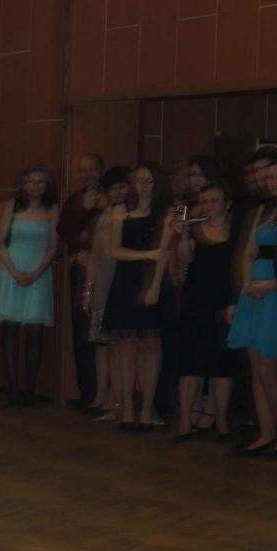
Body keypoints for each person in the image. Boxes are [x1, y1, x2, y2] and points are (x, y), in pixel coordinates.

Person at [102, 162, 176, 431]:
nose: (142, 186)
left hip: (152, 279)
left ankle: (146, 409)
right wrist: (147, 254)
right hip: (126, 280)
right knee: (126, 345)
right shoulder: (120, 210)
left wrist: (154, 287)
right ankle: (127, 409)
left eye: (148, 181)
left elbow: (164, 252)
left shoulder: (168, 212)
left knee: (152, 345)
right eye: (138, 180)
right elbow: (114, 250)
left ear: (158, 184)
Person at [0, 167, 59, 406]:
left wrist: (36, 273)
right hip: (10, 270)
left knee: (34, 331)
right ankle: (12, 388)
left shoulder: (52, 208)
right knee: (10, 328)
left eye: (40, 182)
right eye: (30, 181)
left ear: (46, 186)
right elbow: (0, 244)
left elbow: (52, 247)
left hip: (39, 272)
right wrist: (15, 272)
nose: (35, 186)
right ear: (23, 184)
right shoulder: (11, 206)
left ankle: (30, 389)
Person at [173, 182, 238, 440]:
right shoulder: (194, 227)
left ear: (227, 203)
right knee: (190, 363)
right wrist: (184, 236)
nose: (209, 205)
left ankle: (221, 423)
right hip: (196, 301)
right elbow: (186, 259)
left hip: (224, 302)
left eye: (214, 200)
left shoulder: (236, 230)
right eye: (205, 200)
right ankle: (184, 422)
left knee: (222, 364)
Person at [228, 162, 277, 455]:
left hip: (272, 290)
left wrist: (271, 284)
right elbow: (248, 252)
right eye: (266, 177)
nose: (268, 182)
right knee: (257, 366)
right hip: (255, 292)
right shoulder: (262, 211)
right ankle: (266, 431)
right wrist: (247, 285)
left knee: (268, 367)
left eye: (273, 177)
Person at [81, 165, 131, 421]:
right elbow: (93, 255)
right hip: (102, 282)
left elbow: (178, 214)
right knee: (103, 344)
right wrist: (88, 290)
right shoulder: (104, 215)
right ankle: (103, 396)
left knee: (120, 345)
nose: (118, 192)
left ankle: (118, 400)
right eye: (113, 188)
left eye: (123, 186)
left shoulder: (134, 212)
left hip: (122, 281)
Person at [58, 154, 106, 408]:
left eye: (92, 169)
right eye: (82, 170)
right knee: (82, 330)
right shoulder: (75, 200)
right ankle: (88, 393)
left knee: (104, 334)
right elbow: (64, 232)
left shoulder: (112, 196)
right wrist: (84, 209)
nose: (87, 174)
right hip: (82, 267)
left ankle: (107, 396)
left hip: (109, 269)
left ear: (101, 170)